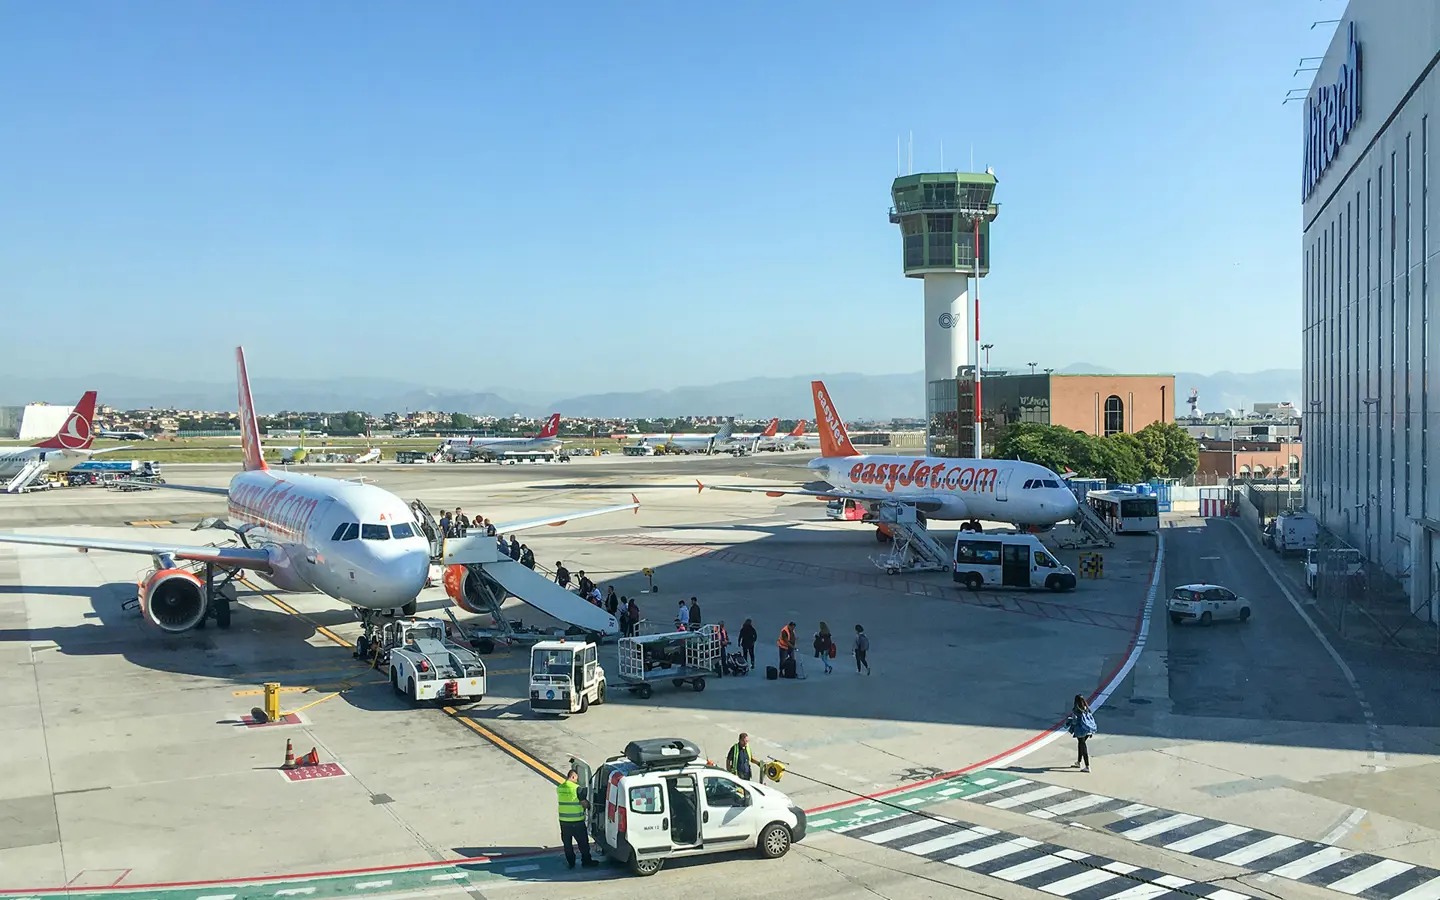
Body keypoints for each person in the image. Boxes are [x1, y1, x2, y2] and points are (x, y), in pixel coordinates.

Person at [556, 769, 597, 868]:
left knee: (567, 844)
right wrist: (589, 805)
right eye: (576, 778)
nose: (577, 780)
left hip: (564, 821)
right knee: (583, 843)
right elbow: (584, 804)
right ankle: (586, 861)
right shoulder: (577, 788)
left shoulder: (560, 788)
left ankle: (571, 862)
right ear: (573, 777)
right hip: (577, 821)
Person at [1066, 695, 1098, 772]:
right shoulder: (1086, 708)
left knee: (1083, 746)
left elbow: (1074, 721)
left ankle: (1087, 766)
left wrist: (1069, 722)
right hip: (1087, 730)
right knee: (1080, 744)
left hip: (1080, 731)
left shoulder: (1076, 710)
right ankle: (1079, 762)